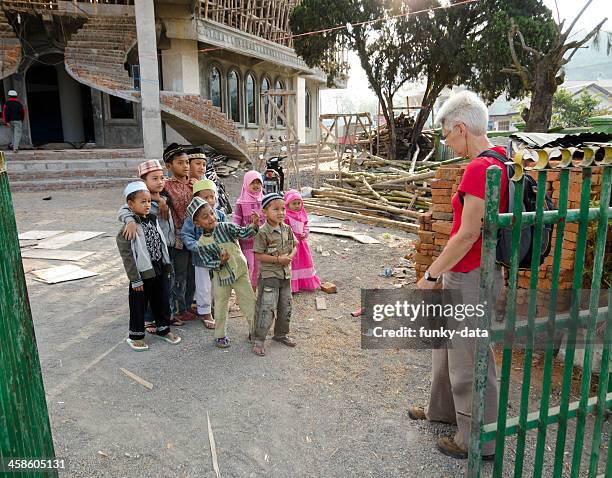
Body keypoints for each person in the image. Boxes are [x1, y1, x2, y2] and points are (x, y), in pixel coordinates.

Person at [412, 90, 507, 460]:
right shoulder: (501, 159)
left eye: (447, 135)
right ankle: (442, 412)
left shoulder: (481, 167)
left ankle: (477, 440)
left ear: (461, 128)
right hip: (470, 272)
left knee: (470, 357)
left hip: (470, 276)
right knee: (446, 349)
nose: (447, 143)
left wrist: (432, 274)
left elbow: (468, 233)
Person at [116, 181, 181, 351]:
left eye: (148, 201)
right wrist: (135, 279)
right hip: (141, 273)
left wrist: (166, 265)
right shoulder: (129, 227)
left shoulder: (152, 219)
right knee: (139, 304)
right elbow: (128, 257)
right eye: (142, 201)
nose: (147, 205)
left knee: (162, 300)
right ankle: (136, 335)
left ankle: (163, 329)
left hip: (158, 267)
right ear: (131, 204)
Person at [191, 198, 260, 348]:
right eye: (205, 217)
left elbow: (243, 232)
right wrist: (220, 262)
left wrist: (253, 225)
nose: (211, 218)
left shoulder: (226, 227)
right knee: (221, 305)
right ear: (197, 223)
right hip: (221, 278)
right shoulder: (201, 243)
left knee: (248, 301)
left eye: (211, 213)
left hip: (240, 272)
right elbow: (208, 262)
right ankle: (220, 335)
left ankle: (255, 331)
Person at [252, 192, 297, 356]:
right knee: (266, 308)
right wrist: (278, 259)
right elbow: (258, 255)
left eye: (283, 209)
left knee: (286, 306)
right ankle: (258, 339)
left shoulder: (287, 229)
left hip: (285, 275)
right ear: (265, 211)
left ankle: (281, 334)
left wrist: (290, 257)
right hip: (269, 276)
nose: (281, 212)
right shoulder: (263, 232)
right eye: (276, 209)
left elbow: (295, 246)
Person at [180, 179, 228, 329]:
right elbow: (186, 236)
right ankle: (205, 312)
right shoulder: (192, 219)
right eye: (205, 197)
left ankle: (215, 307)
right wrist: (198, 247)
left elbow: (227, 232)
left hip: (219, 258)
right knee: (203, 286)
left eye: (212, 197)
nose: (209, 200)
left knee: (218, 284)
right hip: (201, 260)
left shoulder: (220, 215)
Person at [163, 143, 196, 323]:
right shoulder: (166, 186)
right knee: (180, 274)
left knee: (193, 273)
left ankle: (188, 305)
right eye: (180, 163)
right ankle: (179, 308)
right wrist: (159, 200)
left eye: (186, 162)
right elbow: (154, 194)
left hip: (197, 235)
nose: (185, 166)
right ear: (169, 166)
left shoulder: (194, 183)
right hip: (179, 238)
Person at [283, 189, 321, 293]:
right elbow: (284, 229)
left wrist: (305, 232)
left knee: (305, 262)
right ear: (287, 204)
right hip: (292, 245)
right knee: (294, 263)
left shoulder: (302, 214)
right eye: (294, 203)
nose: (297, 206)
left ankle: (305, 282)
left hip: (302, 244)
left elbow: (306, 225)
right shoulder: (286, 216)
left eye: (299, 203)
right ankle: (294, 286)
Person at [233, 171, 265, 289]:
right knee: (248, 265)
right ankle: (244, 291)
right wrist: (235, 232)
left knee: (258, 267)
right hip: (246, 240)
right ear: (246, 183)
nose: (256, 185)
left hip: (261, 240)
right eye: (253, 182)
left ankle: (253, 290)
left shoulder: (264, 200)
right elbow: (236, 219)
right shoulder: (241, 202)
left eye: (259, 182)